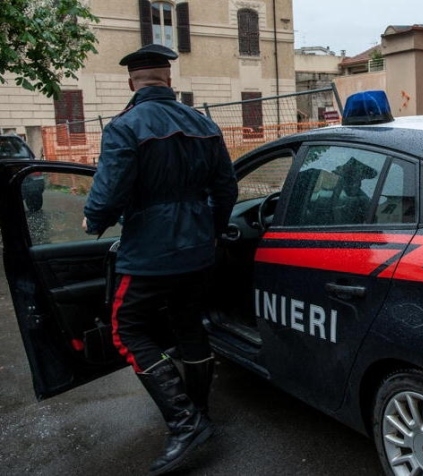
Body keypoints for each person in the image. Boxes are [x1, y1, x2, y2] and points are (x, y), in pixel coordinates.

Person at [82, 44, 238, 476]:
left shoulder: (124, 126)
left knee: (126, 329)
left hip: (149, 252)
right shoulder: (204, 124)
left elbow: (109, 191)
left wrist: (92, 219)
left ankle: (184, 422)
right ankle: (199, 412)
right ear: (168, 81)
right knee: (189, 324)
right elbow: (226, 188)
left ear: (131, 82)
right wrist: (210, 230)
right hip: (198, 250)